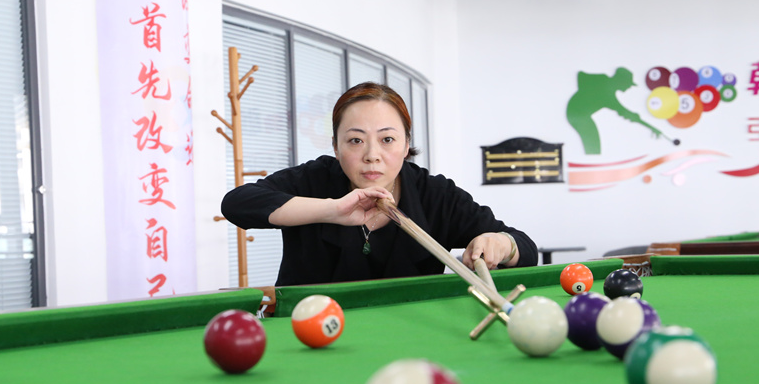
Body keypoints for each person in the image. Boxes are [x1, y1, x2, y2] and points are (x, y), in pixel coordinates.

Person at [221, 82, 538, 286]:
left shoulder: (434, 194)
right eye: (355, 140)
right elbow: (237, 203)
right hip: (308, 338)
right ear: (335, 147)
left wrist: (501, 243)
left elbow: (523, 247)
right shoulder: (314, 179)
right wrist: (332, 210)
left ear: (406, 144)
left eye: (387, 139)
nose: (372, 155)